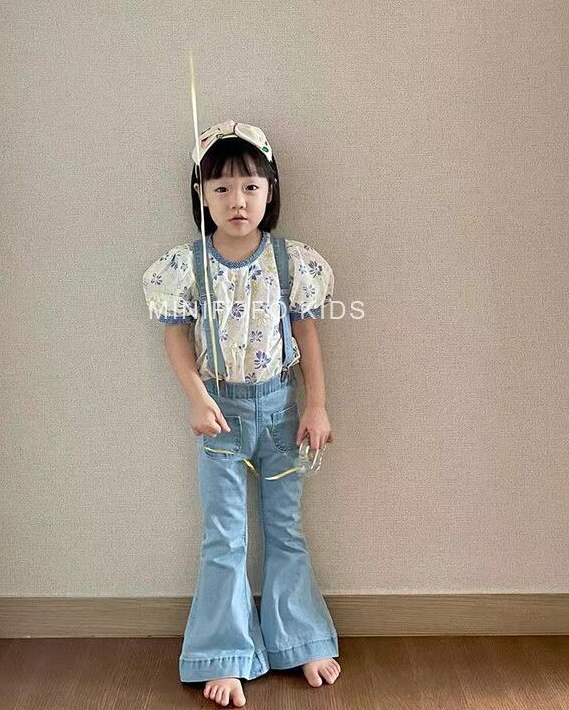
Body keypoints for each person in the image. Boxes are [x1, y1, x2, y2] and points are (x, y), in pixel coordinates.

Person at [142, 120, 341, 707]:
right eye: (222, 188)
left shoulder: (291, 263)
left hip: (281, 413)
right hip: (220, 416)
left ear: (270, 191)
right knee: (224, 536)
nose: (237, 201)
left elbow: (307, 336)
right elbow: (175, 338)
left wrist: (317, 405)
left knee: (286, 530)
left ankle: (300, 640)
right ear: (201, 194)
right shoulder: (187, 266)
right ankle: (224, 653)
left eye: (251, 187)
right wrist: (197, 398)